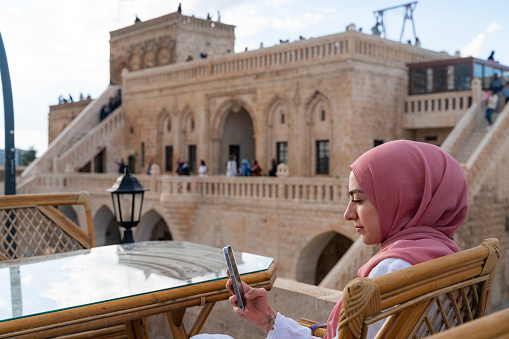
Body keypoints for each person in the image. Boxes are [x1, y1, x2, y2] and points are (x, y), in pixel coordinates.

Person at [193, 140, 468, 339]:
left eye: (358, 200)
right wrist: (267, 319)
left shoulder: (393, 271)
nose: (348, 214)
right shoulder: (445, 255)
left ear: (402, 200)